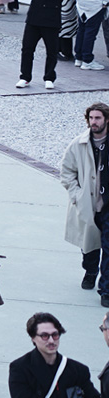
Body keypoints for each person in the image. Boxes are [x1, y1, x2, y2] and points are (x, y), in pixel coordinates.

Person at [9, 313, 100, 398]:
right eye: (44, 336)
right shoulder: (20, 368)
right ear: (33, 338)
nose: (51, 340)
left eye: (55, 335)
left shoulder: (78, 370)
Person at [61, 103, 109, 303]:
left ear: (107, 120)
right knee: (89, 245)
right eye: (91, 118)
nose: (94, 122)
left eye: (98, 118)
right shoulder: (78, 144)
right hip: (87, 203)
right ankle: (90, 272)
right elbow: (66, 172)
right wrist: (77, 194)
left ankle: (106, 291)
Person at [17, 0, 69, 89]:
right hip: (34, 18)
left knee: (51, 51)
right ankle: (25, 77)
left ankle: (49, 77)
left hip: (50, 19)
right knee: (27, 49)